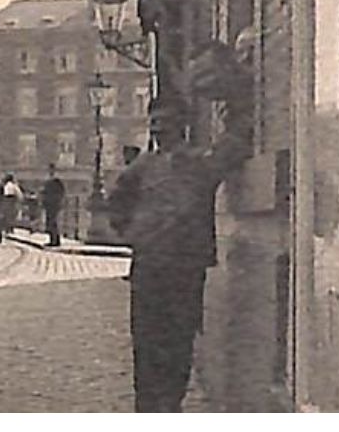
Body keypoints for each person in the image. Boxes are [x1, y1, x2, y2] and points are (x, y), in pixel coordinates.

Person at [109, 37, 254, 413]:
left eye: (168, 123)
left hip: (184, 270)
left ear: (184, 126)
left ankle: (168, 409)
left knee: (176, 345)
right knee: (146, 344)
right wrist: (134, 235)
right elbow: (117, 204)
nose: (161, 130)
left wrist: (240, 101)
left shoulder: (200, 163)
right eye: (155, 123)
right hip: (148, 268)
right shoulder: (140, 169)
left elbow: (236, 144)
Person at [41, 165, 66, 247]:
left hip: (53, 203)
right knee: (50, 222)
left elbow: (60, 191)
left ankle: (55, 240)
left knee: (53, 222)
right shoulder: (50, 179)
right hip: (50, 203)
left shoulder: (56, 180)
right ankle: (53, 239)